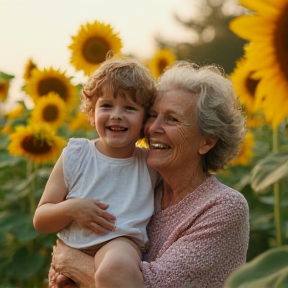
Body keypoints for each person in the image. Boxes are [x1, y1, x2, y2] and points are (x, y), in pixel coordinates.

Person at [48, 60, 250, 288]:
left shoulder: (224, 207)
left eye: (172, 119)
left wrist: (70, 260)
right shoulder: (141, 185)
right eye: (153, 116)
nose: (153, 128)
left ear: (207, 141)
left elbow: (155, 285)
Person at [33, 55, 161, 288]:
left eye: (130, 108)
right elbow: (41, 219)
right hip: (71, 245)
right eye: (106, 105)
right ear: (92, 113)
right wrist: (72, 208)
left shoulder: (150, 164)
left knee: (116, 268)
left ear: (145, 121)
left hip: (120, 243)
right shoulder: (76, 155)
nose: (117, 115)